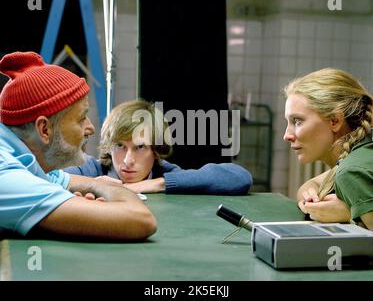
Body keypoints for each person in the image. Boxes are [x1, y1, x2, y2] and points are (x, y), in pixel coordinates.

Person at [0, 51, 156, 240]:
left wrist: (93, 186)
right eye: (81, 118)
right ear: (44, 130)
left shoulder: (24, 158)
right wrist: (101, 194)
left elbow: (65, 180)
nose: (90, 128)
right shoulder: (6, 176)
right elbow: (141, 220)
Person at [64, 100, 253, 194]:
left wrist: (158, 184)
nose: (128, 161)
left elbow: (240, 178)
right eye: (120, 146)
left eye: (139, 148)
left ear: (156, 151)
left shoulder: (166, 173)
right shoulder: (92, 170)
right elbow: (45, 180)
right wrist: (93, 185)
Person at [283, 68, 373, 229]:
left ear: (334, 121)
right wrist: (311, 193)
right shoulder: (362, 150)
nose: (287, 135)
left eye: (297, 121)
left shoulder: (352, 172)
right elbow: (313, 183)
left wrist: (349, 215)